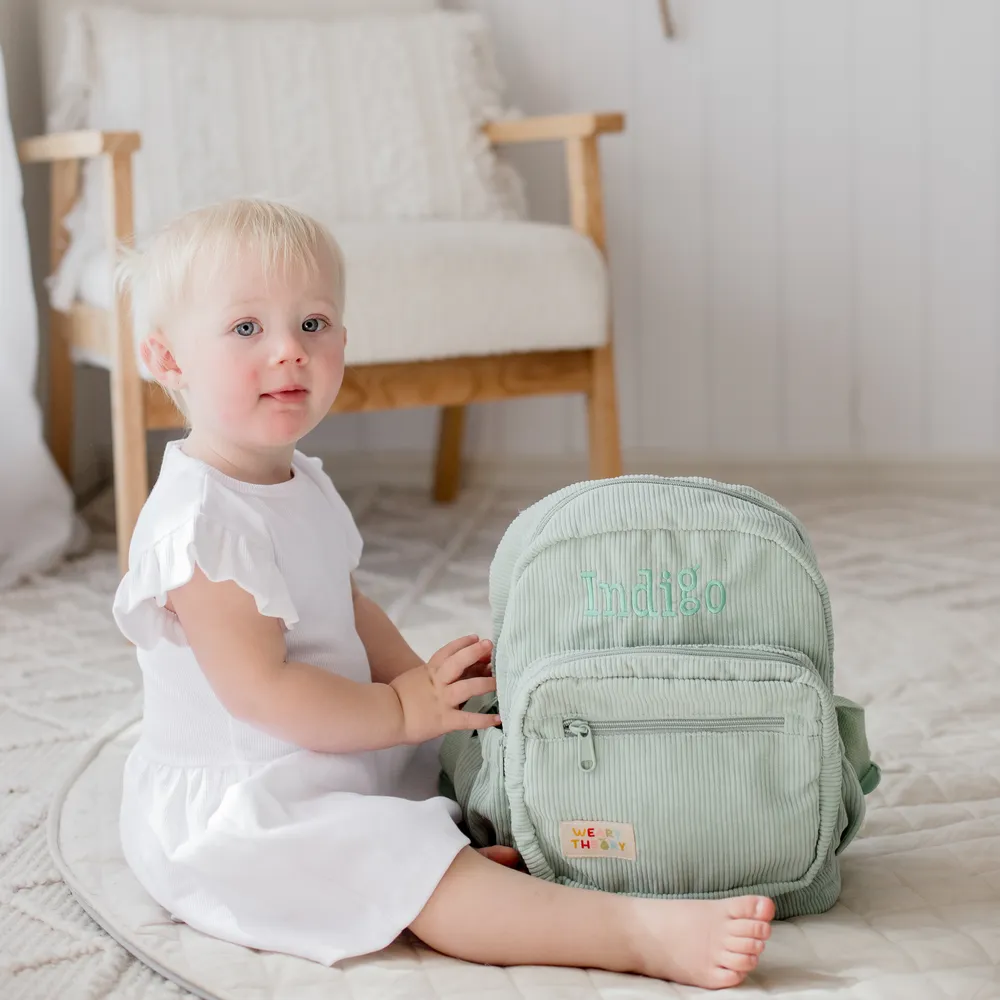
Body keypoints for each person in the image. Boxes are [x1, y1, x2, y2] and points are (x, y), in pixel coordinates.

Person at [112, 198, 775, 989]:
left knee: (468, 751)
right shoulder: (200, 527)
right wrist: (399, 710)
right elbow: (264, 690)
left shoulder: (300, 480)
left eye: (314, 324)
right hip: (248, 804)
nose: (289, 351)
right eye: (247, 329)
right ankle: (634, 935)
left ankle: (484, 858)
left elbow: (345, 606)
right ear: (168, 360)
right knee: (408, 867)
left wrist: (420, 685)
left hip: (327, 744)